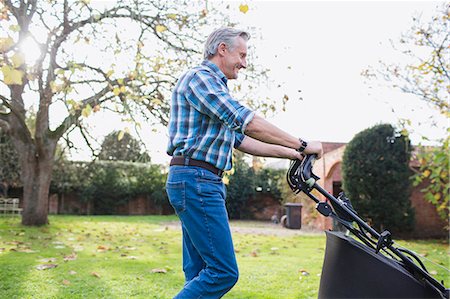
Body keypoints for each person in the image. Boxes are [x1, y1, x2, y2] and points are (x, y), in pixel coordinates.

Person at [166, 27, 323, 299]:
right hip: (196, 181)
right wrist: (302, 143)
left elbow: (241, 140)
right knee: (222, 272)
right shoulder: (200, 79)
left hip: (198, 180)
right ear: (222, 49)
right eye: (241, 54)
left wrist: (293, 154)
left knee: (199, 272)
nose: (244, 63)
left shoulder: (214, 88)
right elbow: (247, 122)